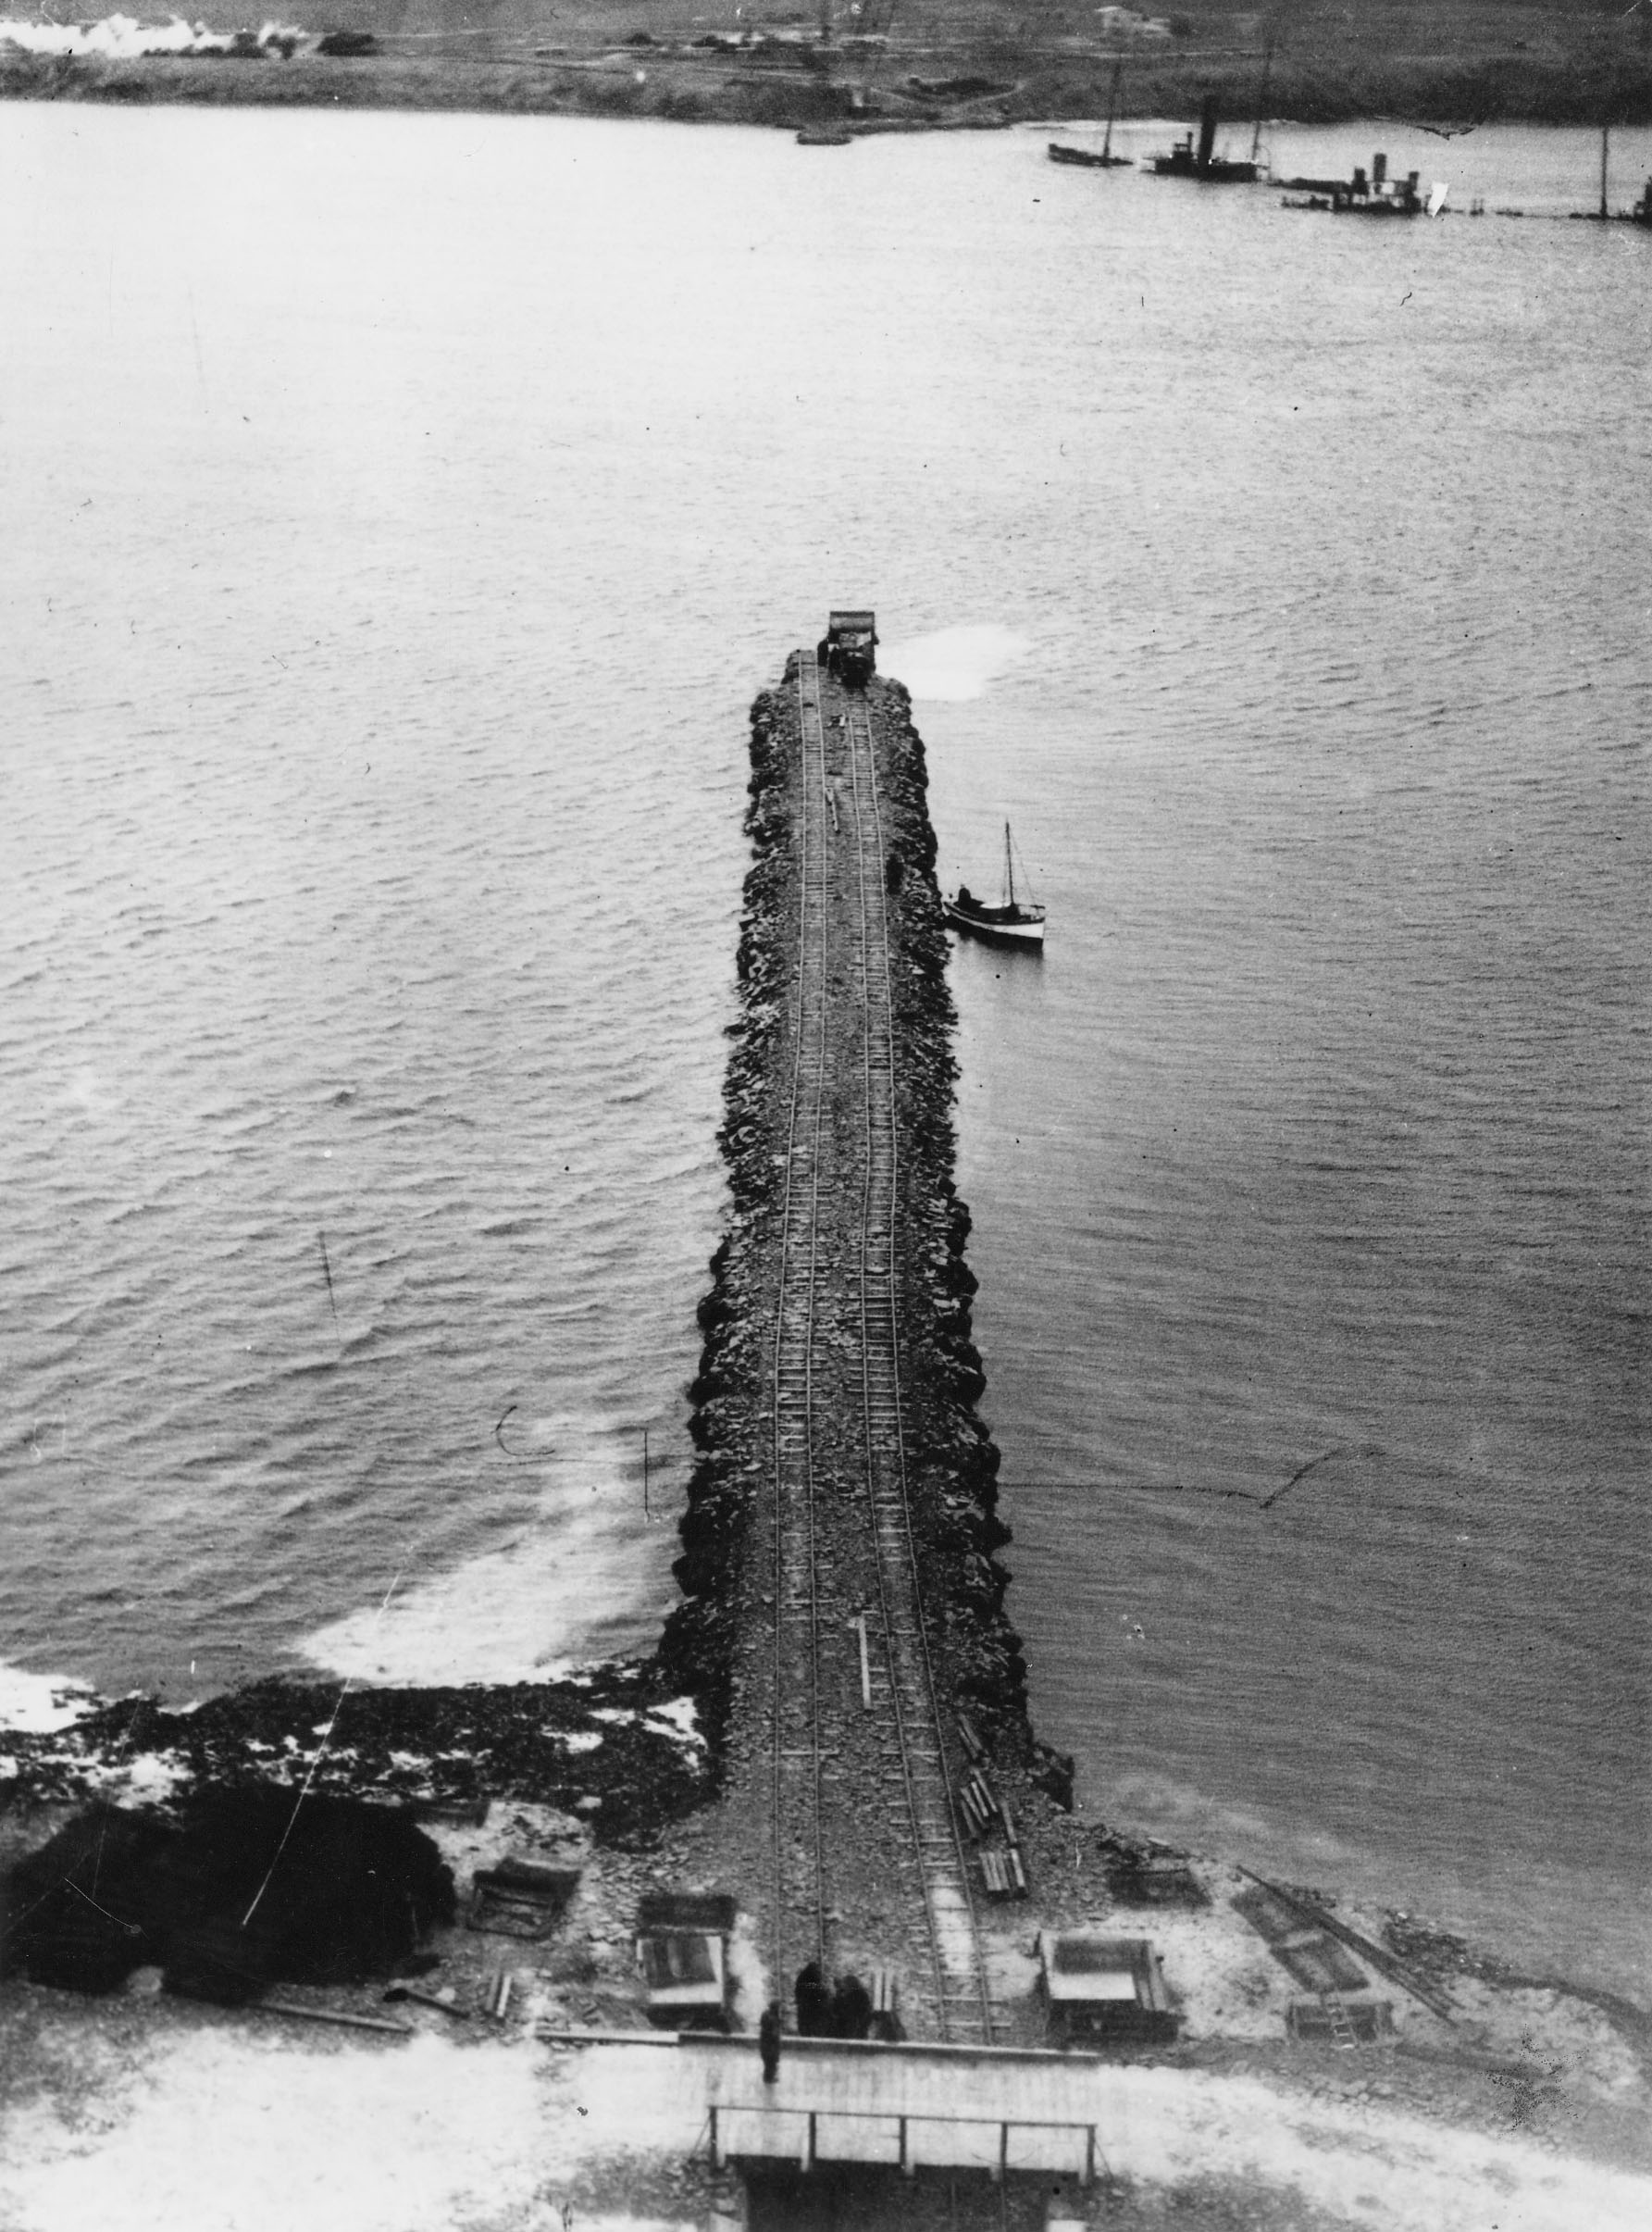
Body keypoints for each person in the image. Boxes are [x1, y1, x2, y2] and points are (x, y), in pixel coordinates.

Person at [758, 2001, 782, 2084]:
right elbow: (775, 2034)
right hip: (771, 2045)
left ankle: (767, 2078)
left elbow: (762, 2023)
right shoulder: (774, 2019)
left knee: (767, 2062)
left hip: (763, 2042)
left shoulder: (765, 2014)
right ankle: (769, 2079)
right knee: (772, 2063)